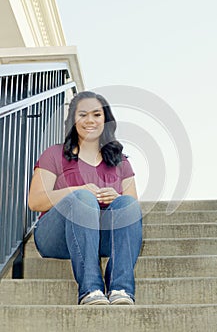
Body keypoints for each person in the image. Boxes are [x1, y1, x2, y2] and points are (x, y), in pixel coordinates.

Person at [28, 91, 142, 305]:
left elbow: (132, 209)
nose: (90, 120)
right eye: (83, 115)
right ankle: (90, 289)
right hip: (56, 237)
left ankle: (120, 288)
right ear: (73, 120)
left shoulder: (121, 162)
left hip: (102, 238)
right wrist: (75, 191)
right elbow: (35, 202)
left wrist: (115, 197)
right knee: (81, 197)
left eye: (97, 114)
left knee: (126, 204)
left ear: (105, 120)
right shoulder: (54, 154)